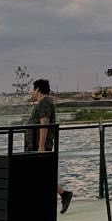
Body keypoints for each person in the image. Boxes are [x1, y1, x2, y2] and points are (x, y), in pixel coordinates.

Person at [28, 79, 73, 213]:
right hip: (35, 145)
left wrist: (41, 146)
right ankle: (62, 194)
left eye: (33, 89)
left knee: (40, 175)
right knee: (39, 175)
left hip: (39, 145)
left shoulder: (45, 102)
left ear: (38, 89)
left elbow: (44, 124)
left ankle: (63, 194)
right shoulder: (42, 103)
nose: (32, 92)